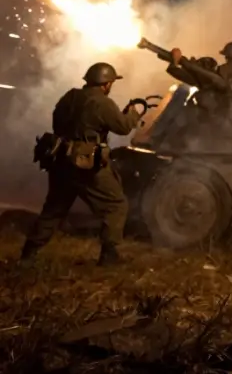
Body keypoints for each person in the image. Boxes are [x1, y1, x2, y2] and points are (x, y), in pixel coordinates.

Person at [20, 62, 141, 267]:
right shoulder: (102, 102)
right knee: (116, 205)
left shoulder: (70, 96)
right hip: (85, 164)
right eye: (111, 82)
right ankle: (109, 256)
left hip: (60, 161)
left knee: (53, 209)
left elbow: (57, 120)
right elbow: (122, 127)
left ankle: (28, 254)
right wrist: (133, 113)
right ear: (105, 84)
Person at [166, 48, 232, 144]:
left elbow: (214, 80)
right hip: (209, 134)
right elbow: (174, 71)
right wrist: (175, 61)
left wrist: (188, 65)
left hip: (224, 135)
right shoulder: (203, 84)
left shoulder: (221, 85)